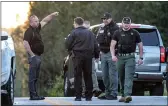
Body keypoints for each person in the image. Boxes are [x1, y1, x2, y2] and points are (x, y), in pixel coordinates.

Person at [23, 12, 59, 100]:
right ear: (31, 22)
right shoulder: (29, 31)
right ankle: (33, 96)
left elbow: (45, 21)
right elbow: (25, 43)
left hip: (38, 56)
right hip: (34, 56)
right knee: (32, 77)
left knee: (35, 77)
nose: (37, 22)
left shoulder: (37, 29)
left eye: (37, 21)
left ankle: (35, 95)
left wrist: (52, 15)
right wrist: (32, 55)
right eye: (35, 21)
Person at [65, 17, 99, 101]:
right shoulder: (90, 33)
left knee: (78, 76)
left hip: (77, 57)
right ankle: (88, 96)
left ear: (76, 23)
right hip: (88, 57)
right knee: (88, 76)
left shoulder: (74, 32)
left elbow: (67, 44)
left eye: (74, 23)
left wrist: (70, 50)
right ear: (82, 23)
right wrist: (97, 56)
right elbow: (95, 45)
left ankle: (78, 96)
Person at [110, 17, 143, 103]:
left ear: (130, 24)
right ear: (122, 23)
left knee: (129, 76)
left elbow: (140, 45)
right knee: (121, 77)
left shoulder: (135, 33)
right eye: (125, 23)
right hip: (120, 57)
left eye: (128, 23)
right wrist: (113, 55)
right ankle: (123, 95)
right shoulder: (117, 32)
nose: (126, 24)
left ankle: (128, 94)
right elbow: (112, 45)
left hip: (130, 57)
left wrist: (141, 57)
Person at [97, 12, 119, 100]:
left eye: (106, 18)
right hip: (103, 53)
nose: (104, 20)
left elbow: (118, 42)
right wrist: (99, 51)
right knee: (104, 75)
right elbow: (98, 39)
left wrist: (115, 53)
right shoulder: (102, 27)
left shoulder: (116, 28)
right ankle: (107, 93)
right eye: (103, 19)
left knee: (112, 74)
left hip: (112, 53)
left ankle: (113, 93)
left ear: (110, 18)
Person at [82, 21, 102, 97]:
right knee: (84, 73)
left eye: (88, 28)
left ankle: (95, 89)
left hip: (90, 57)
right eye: (85, 28)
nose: (87, 29)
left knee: (92, 72)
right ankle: (85, 91)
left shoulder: (92, 35)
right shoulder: (79, 34)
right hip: (81, 57)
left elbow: (96, 46)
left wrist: (97, 56)